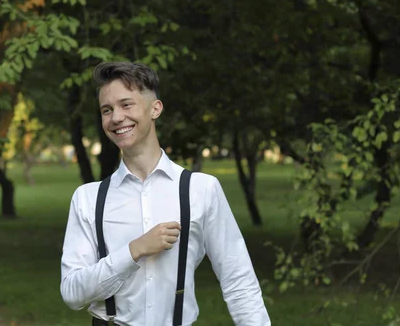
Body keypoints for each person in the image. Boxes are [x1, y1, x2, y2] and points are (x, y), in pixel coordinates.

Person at [60, 62, 271, 326]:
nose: (116, 118)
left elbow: (238, 281)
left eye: (127, 105)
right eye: (107, 110)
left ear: (155, 109)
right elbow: (72, 293)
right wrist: (134, 251)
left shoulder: (201, 190)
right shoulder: (88, 199)